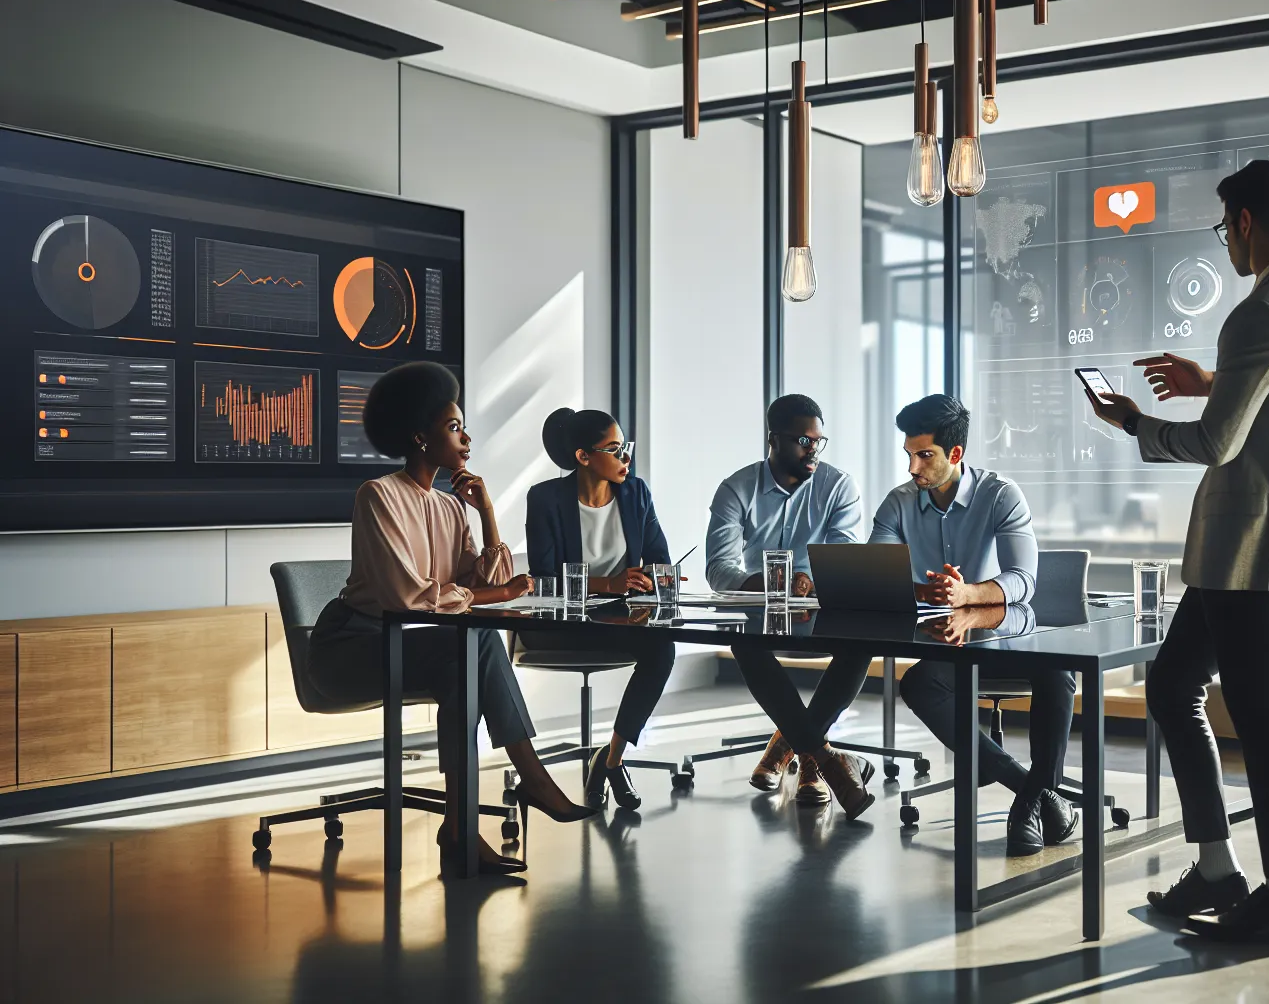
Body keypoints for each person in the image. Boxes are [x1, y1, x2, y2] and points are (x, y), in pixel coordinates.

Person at [1086, 158, 1269, 947]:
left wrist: (1133, 422)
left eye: (1224, 228)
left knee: (1262, 710)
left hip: (1247, 542)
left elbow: (1216, 444)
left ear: (1243, 222)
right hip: (1255, 546)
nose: (1227, 243)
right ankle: (1217, 867)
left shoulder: (1258, 312)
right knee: (1174, 686)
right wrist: (1217, 380)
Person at [309, 362, 595, 877]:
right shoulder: (378, 495)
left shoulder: (450, 508)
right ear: (421, 437)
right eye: (454, 427)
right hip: (350, 650)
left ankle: (460, 827)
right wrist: (496, 593)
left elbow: (482, 579)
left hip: (406, 645)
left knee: (465, 655)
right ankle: (528, 778)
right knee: (472, 644)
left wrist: (485, 510)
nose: (466, 439)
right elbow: (408, 596)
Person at [883, 394, 1076, 857]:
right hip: (947, 646)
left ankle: (1029, 802)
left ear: (955, 453)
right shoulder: (898, 503)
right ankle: (1036, 793)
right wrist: (925, 590)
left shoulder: (1000, 494)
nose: (912, 467)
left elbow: (1024, 580)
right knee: (919, 684)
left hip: (1008, 639)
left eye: (924, 455)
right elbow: (878, 575)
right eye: (908, 454)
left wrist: (967, 593)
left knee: (1058, 671)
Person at [708, 395, 876, 810]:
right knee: (744, 642)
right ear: (774, 440)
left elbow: (845, 560)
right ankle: (824, 761)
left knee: (861, 644)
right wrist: (768, 584)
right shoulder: (736, 488)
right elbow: (718, 568)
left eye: (818, 441)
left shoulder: (838, 486)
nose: (813, 450)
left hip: (821, 609)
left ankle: (787, 749)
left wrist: (811, 581)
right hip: (760, 609)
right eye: (803, 441)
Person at [525, 408, 677, 812]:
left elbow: (659, 557)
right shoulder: (545, 499)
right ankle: (608, 762)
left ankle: (612, 758)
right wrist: (608, 584)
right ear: (583, 456)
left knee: (663, 649)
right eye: (614, 449)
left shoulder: (635, 492)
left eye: (626, 447)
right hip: (562, 622)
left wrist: (654, 577)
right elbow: (543, 578)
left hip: (620, 619)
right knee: (656, 645)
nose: (626, 458)